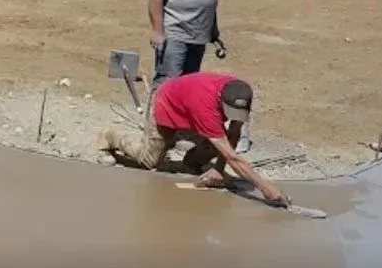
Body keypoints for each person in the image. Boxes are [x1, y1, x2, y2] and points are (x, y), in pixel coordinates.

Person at [97, 71, 287, 206]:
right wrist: (266, 188)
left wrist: (219, 170)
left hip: (187, 105)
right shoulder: (206, 107)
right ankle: (109, 137)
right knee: (148, 161)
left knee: (220, 143)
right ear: (220, 100)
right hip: (167, 103)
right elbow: (232, 157)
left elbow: (234, 132)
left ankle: (191, 163)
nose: (233, 116)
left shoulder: (242, 93)